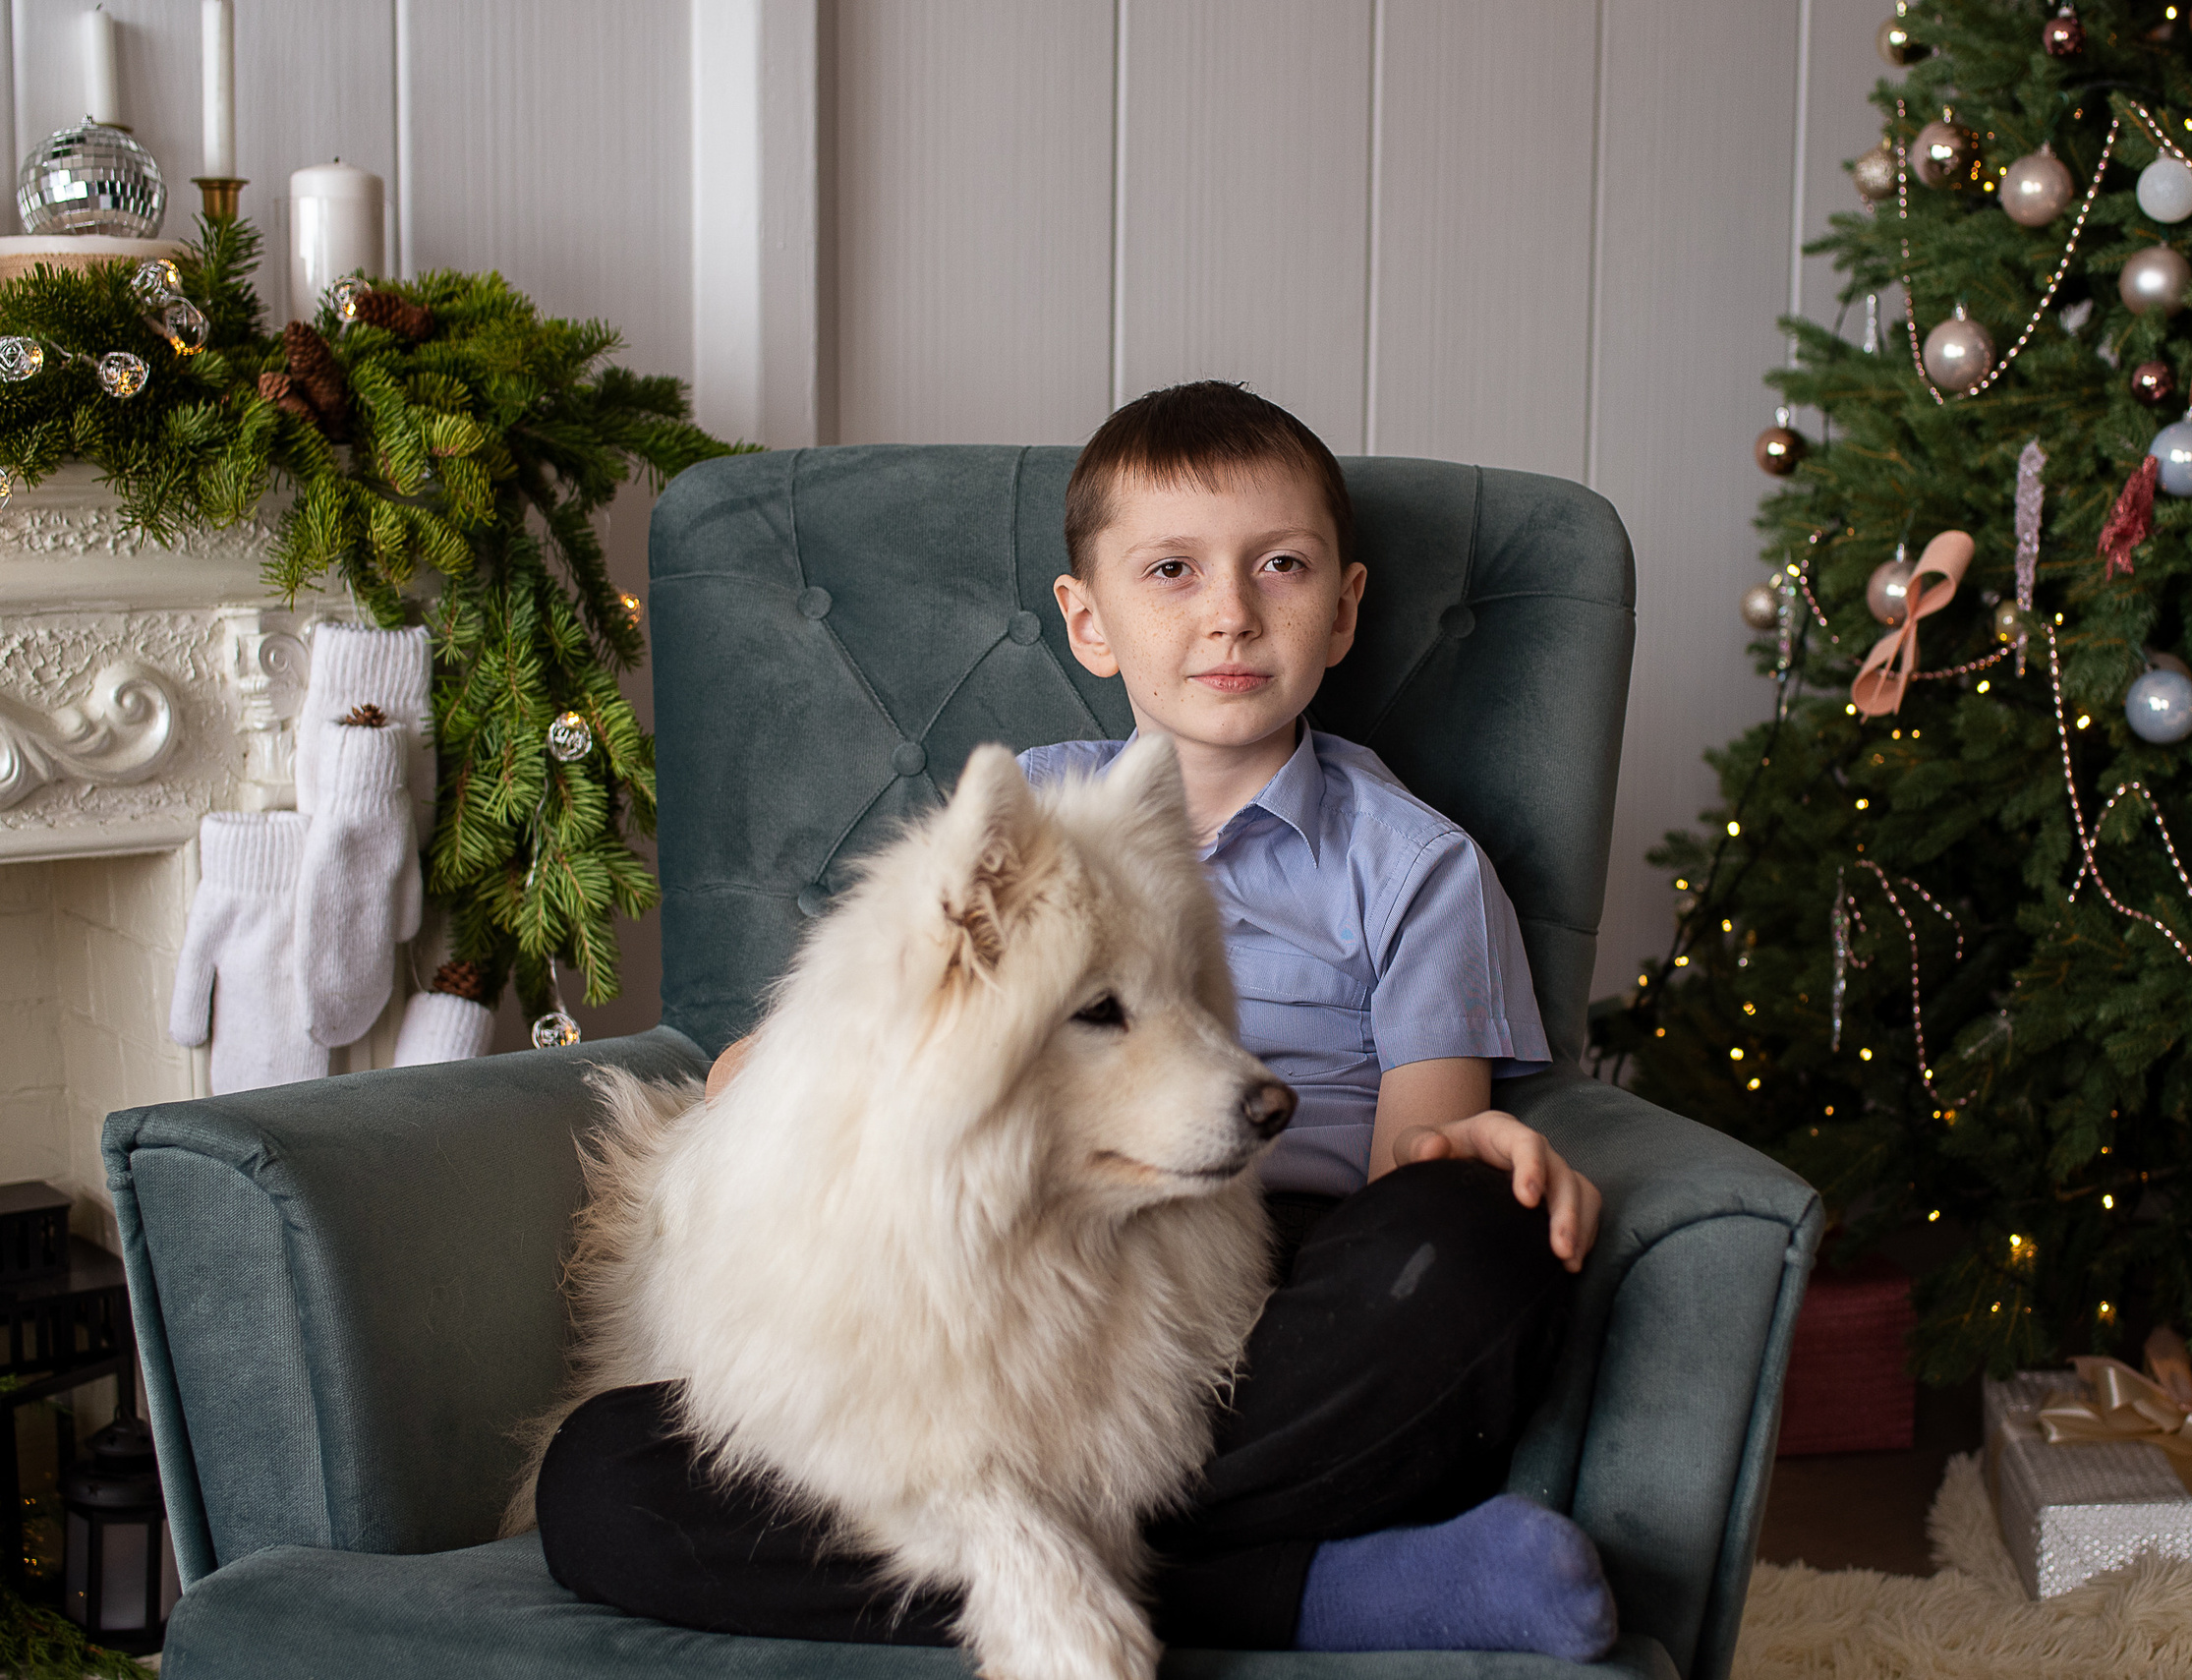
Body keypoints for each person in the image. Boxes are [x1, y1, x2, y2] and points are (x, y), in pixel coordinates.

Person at [537, 381, 1617, 1660]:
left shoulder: (1418, 866)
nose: (1231, 611)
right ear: (1088, 621)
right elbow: (885, 1029)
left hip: (1281, 1283)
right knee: (603, 1479)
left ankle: (1053, 1540)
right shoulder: (1022, 815)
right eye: (1173, 569)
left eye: (1281, 564)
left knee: (1477, 1243)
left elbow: (1416, 1155)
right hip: (1019, 1267)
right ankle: (1313, 1588)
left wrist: (1476, 1156)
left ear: (1345, 608)